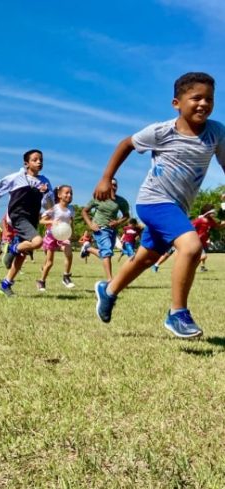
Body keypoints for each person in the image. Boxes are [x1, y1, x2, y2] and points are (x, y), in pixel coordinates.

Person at [93, 72, 225, 338]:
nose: (203, 104)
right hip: (154, 200)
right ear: (177, 102)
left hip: (178, 207)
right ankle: (177, 314)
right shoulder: (161, 131)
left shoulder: (216, 132)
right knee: (191, 246)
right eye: (196, 98)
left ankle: (108, 291)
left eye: (209, 99)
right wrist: (107, 178)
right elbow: (126, 144)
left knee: (147, 257)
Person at [0, 149, 53, 297]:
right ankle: (13, 248)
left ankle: (5, 285)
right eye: (35, 159)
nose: (39, 162)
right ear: (26, 164)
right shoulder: (17, 178)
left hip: (32, 219)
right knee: (38, 241)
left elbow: (50, 206)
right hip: (17, 216)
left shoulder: (45, 182)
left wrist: (46, 193)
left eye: (41, 160)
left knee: (22, 256)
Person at [81, 177, 130, 281]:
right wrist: (90, 225)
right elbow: (84, 211)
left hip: (112, 230)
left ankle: (88, 248)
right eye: (111, 184)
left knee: (105, 253)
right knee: (107, 252)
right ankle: (110, 280)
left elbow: (126, 215)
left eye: (115, 185)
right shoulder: (98, 198)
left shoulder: (121, 201)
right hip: (99, 229)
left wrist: (117, 222)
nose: (113, 187)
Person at [37, 185, 76, 291]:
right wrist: (52, 221)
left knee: (69, 254)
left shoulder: (71, 209)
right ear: (59, 195)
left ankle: (66, 276)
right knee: (49, 262)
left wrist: (72, 232)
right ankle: (42, 281)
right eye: (67, 193)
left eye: (71, 193)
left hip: (64, 236)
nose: (69, 195)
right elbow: (41, 221)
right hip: (52, 236)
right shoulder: (54, 208)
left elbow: (71, 222)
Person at [192, 204, 224, 271]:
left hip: (204, 241)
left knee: (202, 256)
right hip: (197, 240)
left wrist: (223, 223)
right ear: (208, 212)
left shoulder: (211, 220)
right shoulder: (200, 220)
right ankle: (190, 268)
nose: (214, 214)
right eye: (212, 212)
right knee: (203, 256)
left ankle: (196, 268)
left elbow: (218, 227)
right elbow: (191, 227)